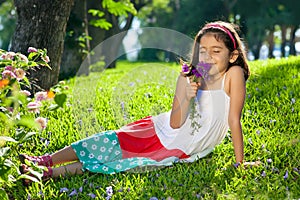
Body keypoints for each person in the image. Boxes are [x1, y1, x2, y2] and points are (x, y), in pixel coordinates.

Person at [19, 21, 259, 185]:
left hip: (177, 147)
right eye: (202, 51)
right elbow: (175, 122)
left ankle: (46, 174)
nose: (207, 57)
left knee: (113, 162)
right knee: (106, 140)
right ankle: (42, 161)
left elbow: (233, 120)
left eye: (216, 51)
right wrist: (185, 97)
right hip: (161, 129)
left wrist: (240, 163)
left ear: (233, 55)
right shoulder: (187, 76)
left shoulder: (232, 76)